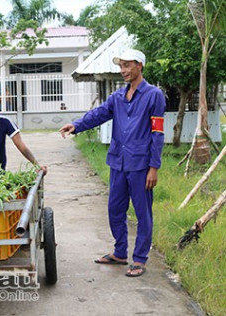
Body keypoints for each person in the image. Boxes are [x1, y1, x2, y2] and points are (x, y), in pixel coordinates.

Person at [59, 49, 165, 277]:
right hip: (118, 162)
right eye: (121, 66)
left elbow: (157, 133)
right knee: (115, 209)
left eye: (128, 66)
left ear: (139, 66)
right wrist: (76, 125)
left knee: (142, 212)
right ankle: (120, 252)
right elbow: (99, 114)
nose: (123, 70)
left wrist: (153, 167)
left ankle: (139, 259)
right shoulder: (117, 97)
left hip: (140, 165)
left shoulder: (154, 95)